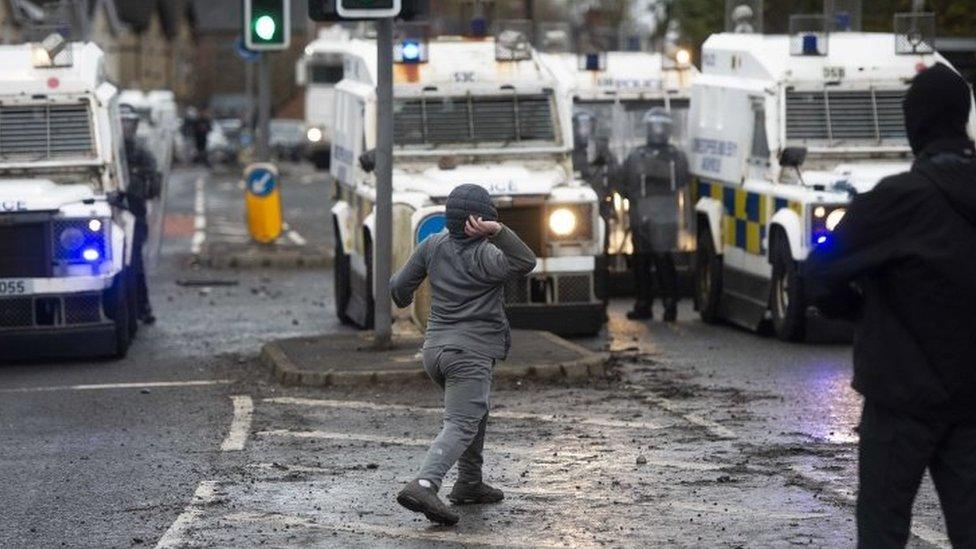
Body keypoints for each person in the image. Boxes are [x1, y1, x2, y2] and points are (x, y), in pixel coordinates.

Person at [804, 63, 976, 548]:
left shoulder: (895, 202)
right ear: (962, 118)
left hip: (900, 399)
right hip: (973, 404)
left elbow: (817, 274)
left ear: (913, 125)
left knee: (883, 530)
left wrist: (865, 311)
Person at [390, 184, 537, 525]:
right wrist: (499, 232)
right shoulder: (487, 254)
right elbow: (525, 261)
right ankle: (425, 484)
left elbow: (398, 288)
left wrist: (404, 304)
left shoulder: (432, 245)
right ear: (482, 220)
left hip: (435, 351)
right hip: (469, 354)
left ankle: (469, 483)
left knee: (473, 411)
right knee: (461, 422)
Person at [616, 107, 689, 321]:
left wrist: (635, 200)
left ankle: (651, 304)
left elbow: (622, 184)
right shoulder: (674, 156)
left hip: (648, 216)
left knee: (650, 263)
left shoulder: (643, 155)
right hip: (657, 216)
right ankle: (662, 304)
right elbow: (683, 181)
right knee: (650, 263)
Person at [120, 104, 161, 325]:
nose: (126, 128)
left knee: (134, 260)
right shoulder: (108, 150)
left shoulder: (141, 153)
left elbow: (153, 184)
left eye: (129, 123)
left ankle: (142, 306)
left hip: (135, 214)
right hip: (113, 211)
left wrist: (147, 180)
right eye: (122, 123)